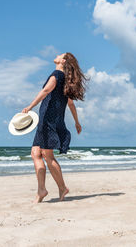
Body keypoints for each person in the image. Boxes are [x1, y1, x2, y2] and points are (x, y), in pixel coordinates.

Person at [22, 52, 88, 203]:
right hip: (53, 119)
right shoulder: (66, 80)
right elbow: (70, 103)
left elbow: (45, 91)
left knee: (47, 155)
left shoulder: (57, 74)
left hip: (48, 120)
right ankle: (42, 190)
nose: (57, 55)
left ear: (63, 61)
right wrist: (77, 122)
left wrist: (30, 106)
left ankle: (62, 187)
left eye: (60, 55)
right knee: (35, 153)